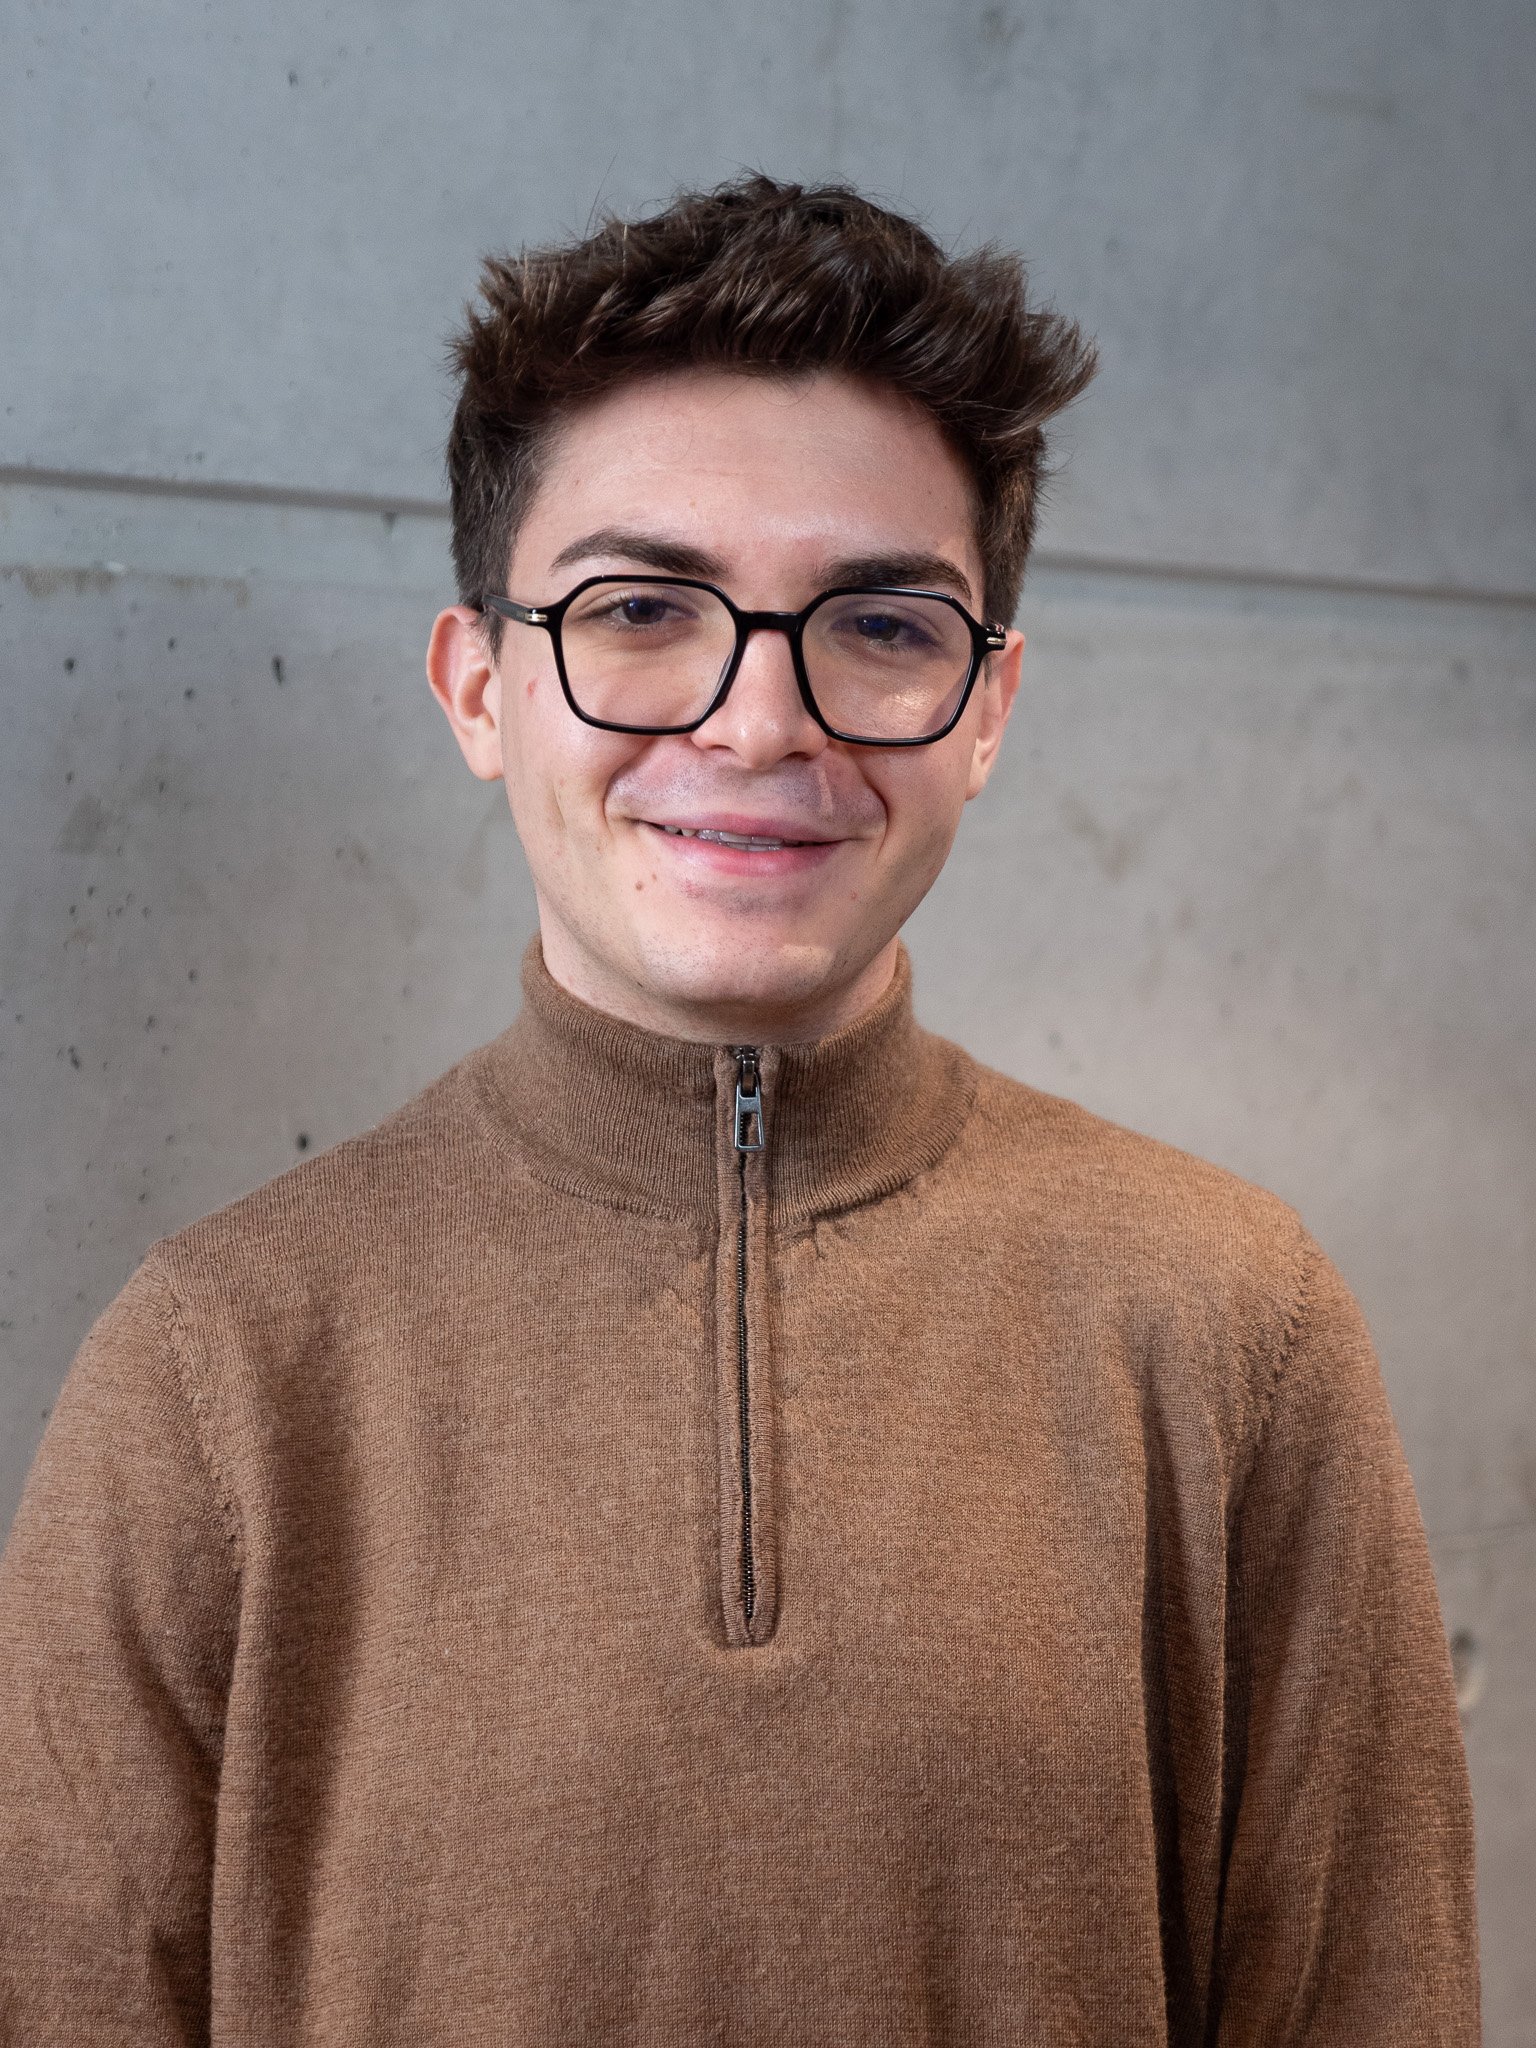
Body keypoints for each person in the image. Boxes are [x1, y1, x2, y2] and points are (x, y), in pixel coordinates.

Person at [0, 174, 1478, 2044]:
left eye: (877, 625)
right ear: (478, 685)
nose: (759, 723)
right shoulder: (216, 1370)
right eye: (639, 607)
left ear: (991, 707)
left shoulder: (1228, 1325)